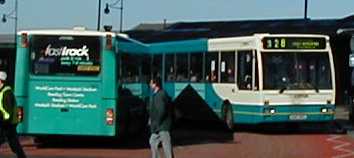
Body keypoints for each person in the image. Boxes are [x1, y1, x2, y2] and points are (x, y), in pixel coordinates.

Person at [0, 71, 27, 158]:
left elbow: (8, 111)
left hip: (8, 123)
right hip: (6, 122)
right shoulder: (2, 91)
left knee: (14, 143)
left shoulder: (7, 92)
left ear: (1, 81)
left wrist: (3, 122)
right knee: (13, 143)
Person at [148, 77, 174, 158]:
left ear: (155, 84)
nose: (150, 84)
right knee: (153, 141)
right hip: (159, 125)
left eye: (151, 83)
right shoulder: (157, 94)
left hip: (162, 126)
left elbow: (161, 111)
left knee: (166, 147)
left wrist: (156, 123)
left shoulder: (160, 95)